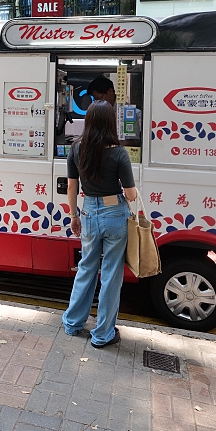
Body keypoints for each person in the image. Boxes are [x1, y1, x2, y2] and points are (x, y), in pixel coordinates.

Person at [62, 101, 138, 348]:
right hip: (115, 214)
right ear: (110, 122)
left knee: (86, 267)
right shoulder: (118, 153)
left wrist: (74, 215)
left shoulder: (76, 149)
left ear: (89, 120)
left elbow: (72, 186)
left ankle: (73, 323)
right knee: (111, 274)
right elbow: (131, 194)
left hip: (89, 212)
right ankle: (103, 333)